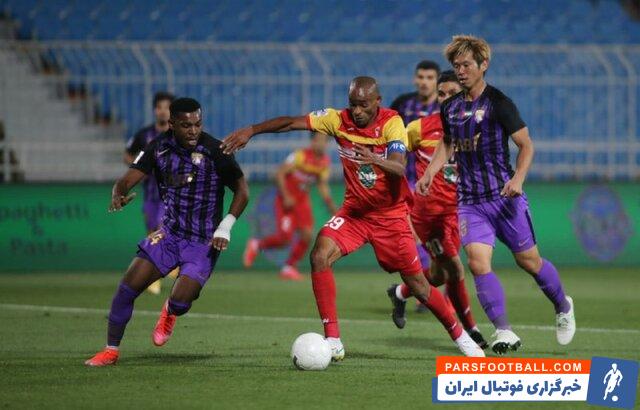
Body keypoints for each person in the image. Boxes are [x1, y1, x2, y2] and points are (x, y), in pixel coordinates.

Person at [222, 76, 485, 359]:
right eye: (353, 104)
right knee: (319, 255)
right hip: (355, 214)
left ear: (377, 101)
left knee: (419, 286)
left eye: (364, 105)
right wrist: (252, 130)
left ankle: (461, 337)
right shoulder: (337, 119)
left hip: (390, 217)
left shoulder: (392, 122)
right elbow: (290, 123)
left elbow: (398, 167)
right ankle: (333, 340)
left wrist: (376, 159)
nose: (357, 111)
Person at [417, 35, 576, 355]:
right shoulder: (450, 107)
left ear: (483, 65)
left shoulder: (499, 103)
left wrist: (518, 178)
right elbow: (447, 142)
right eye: (456, 66)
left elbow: (526, 145)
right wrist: (431, 171)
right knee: (478, 264)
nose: (460, 71)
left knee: (529, 261)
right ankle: (504, 330)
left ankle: (563, 305)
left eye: (466, 65)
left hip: (504, 198)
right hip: (470, 202)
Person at [85, 98, 249, 366]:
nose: (193, 131)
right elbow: (127, 179)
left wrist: (225, 227)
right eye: (186, 125)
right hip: (169, 235)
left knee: (182, 301)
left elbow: (242, 191)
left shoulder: (217, 150)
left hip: (203, 242)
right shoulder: (158, 147)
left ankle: (170, 311)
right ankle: (110, 350)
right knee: (127, 288)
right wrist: (118, 193)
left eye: (197, 124)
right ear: (172, 124)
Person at [387, 70, 488, 349]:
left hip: (458, 211)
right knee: (455, 269)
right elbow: (393, 159)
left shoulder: (476, 128)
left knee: (440, 274)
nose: (445, 98)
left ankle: (400, 292)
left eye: (452, 93)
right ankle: (471, 330)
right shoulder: (419, 128)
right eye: (441, 94)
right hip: (429, 216)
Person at [243, 131, 337, 280]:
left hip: (302, 201)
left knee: (308, 235)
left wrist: (330, 204)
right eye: (319, 140)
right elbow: (279, 174)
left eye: (325, 141)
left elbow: (322, 184)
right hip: (286, 200)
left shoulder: (324, 162)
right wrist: (286, 195)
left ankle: (289, 267)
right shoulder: (300, 156)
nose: (321, 143)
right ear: (312, 141)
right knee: (284, 239)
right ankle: (257, 244)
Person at [390, 61, 441, 308]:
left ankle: (420, 288)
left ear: (437, 81)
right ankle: (424, 292)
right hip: (409, 181)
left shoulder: (445, 106)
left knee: (439, 240)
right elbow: (386, 131)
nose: (424, 82)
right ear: (414, 79)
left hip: (441, 184)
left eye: (430, 77)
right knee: (415, 236)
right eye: (421, 76)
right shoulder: (403, 104)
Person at [124, 91, 176, 295]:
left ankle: (154, 276)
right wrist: (141, 167)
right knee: (152, 231)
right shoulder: (144, 135)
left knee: (161, 229)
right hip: (150, 194)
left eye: (167, 108)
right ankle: (164, 267)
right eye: (159, 107)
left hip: (170, 194)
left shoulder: (177, 135)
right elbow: (127, 155)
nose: (163, 111)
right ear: (155, 110)